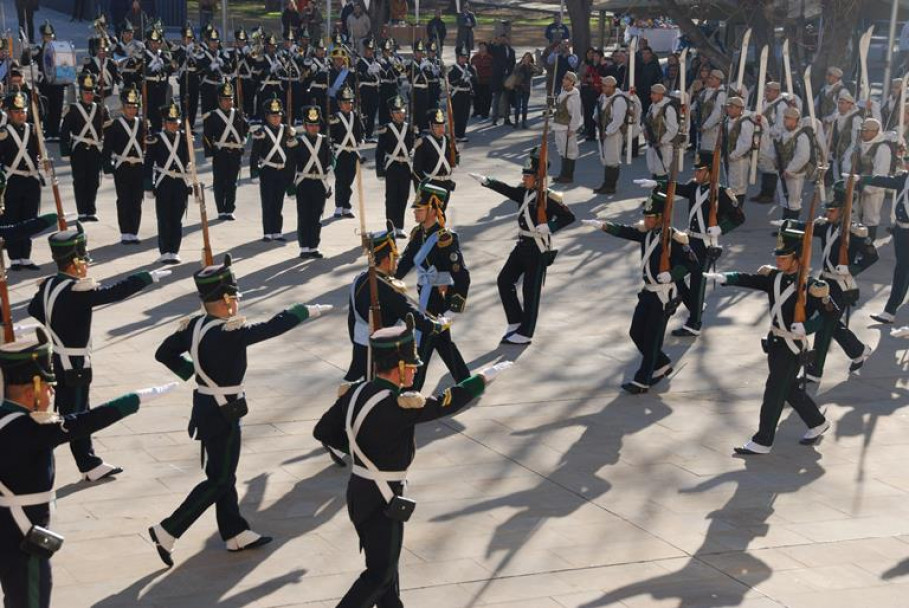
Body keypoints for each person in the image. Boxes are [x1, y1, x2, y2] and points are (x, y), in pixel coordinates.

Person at [149, 255, 332, 567]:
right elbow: (271, 328)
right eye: (233, 296)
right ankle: (169, 529)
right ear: (224, 300)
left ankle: (234, 531)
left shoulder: (194, 326)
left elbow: (163, 352)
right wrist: (305, 311)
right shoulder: (227, 333)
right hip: (223, 412)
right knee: (219, 479)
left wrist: (192, 372)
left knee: (224, 472)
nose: (236, 303)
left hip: (206, 406)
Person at [314, 317, 510, 608]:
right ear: (400, 367)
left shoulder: (356, 392)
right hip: (383, 498)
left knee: (386, 571)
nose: (415, 369)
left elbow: (324, 431)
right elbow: (446, 402)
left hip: (360, 490)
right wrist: (481, 379)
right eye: (412, 365)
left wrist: (362, 451)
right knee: (380, 575)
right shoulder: (395, 405)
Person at [0, 328, 173, 608]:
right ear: (33, 386)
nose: (52, 391)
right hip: (21, 538)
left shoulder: (8, 418)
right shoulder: (26, 428)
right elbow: (83, 422)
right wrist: (132, 401)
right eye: (48, 385)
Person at [28, 223, 170, 482]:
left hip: (57, 357)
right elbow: (113, 293)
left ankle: (87, 461)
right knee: (78, 415)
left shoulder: (49, 285)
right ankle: (86, 463)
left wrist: (58, 321)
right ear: (74, 262)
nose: (87, 265)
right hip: (75, 363)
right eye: (84, 260)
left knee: (74, 410)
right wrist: (144, 278)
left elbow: (33, 309)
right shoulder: (76, 291)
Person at [705, 222, 834, 454]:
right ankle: (817, 422)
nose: (778, 261)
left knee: (774, 391)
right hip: (775, 342)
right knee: (789, 388)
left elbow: (828, 314)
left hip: (792, 346)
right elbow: (751, 280)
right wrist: (727, 277)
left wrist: (807, 327)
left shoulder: (812, 286)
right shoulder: (775, 277)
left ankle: (763, 440)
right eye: (778, 258)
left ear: (796, 259)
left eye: (783, 258)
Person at [582, 188, 699, 394]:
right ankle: (661, 363)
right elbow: (625, 231)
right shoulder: (646, 233)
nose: (646, 221)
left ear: (661, 218)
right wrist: (603, 225)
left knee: (653, 337)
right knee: (636, 332)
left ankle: (642, 380)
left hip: (663, 294)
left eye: (650, 217)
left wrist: (672, 275)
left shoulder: (674, 238)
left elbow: (692, 262)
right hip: (648, 292)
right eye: (645, 217)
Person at [470, 149, 576, 344]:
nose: (524, 178)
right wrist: (487, 181)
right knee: (504, 280)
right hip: (522, 244)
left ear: (538, 178)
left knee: (530, 291)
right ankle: (515, 320)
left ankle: (526, 333)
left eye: (528, 176)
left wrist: (550, 226)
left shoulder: (548, 198)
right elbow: (507, 190)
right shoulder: (525, 192)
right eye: (524, 175)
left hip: (537, 248)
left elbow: (569, 217)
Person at [790, 181, 877, 382]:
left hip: (842, 286)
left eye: (832, 210)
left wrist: (851, 269)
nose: (828, 213)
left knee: (824, 328)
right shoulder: (826, 227)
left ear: (843, 210)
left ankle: (814, 372)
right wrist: (788, 225)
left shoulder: (855, 232)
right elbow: (808, 228)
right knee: (831, 324)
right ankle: (858, 350)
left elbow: (872, 256)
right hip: (825, 282)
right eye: (827, 210)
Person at [649, 160, 743, 338]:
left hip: (706, 244)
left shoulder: (721, 192)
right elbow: (679, 189)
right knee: (673, 272)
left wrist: (721, 228)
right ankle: (695, 306)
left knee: (697, 284)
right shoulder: (694, 186)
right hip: (690, 239)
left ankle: (694, 323)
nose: (696, 174)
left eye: (700, 171)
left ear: (709, 171)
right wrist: (658, 183)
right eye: (696, 171)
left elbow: (738, 217)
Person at [343, 226, 448, 383]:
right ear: (387, 259)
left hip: (360, 347)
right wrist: (435, 326)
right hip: (383, 352)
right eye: (396, 258)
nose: (397, 262)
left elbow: (352, 319)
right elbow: (410, 314)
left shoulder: (359, 279)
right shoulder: (387, 288)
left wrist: (358, 341)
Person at [395, 183, 470, 390]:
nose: (415, 214)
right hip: (425, 295)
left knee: (425, 342)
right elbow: (407, 260)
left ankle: (412, 391)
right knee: (443, 343)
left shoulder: (445, 238)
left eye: (420, 209)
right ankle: (465, 380)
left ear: (434, 209)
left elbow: (462, 275)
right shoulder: (418, 234)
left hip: (439, 300)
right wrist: (390, 278)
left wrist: (453, 308)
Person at [0, 91, 43, 271]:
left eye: (23, 111)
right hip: (13, 181)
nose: (21, 115)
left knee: (29, 219)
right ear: (9, 113)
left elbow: (40, 153)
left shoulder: (33, 130)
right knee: (13, 219)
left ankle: (26, 256)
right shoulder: (3, 134)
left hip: (31, 181)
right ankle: (15, 258)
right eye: (17, 112)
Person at [145, 101, 191, 264]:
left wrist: (191, 181)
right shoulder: (156, 139)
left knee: (177, 219)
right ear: (164, 123)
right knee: (164, 218)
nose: (173, 126)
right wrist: (148, 186)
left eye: (175, 123)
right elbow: (148, 164)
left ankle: (174, 250)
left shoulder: (185, 139)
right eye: (170, 123)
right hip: (163, 183)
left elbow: (189, 162)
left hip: (179, 183)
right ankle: (165, 251)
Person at [60, 72, 108, 223]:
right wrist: (65, 151)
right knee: (80, 180)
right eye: (86, 93)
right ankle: (81, 211)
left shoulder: (101, 109)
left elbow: (107, 130)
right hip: (79, 148)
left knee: (94, 180)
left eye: (91, 92)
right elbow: (65, 131)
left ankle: (91, 210)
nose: (89, 95)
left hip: (94, 149)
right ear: (81, 93)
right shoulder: (73, 109)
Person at [102, 85, 146, 244]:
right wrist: (107, 167)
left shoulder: (142, 124)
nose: (132, 110)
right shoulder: (115, 125)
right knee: (124, 200)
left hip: (139, 166)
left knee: (136, 200)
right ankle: (125, 231)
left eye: (135, 107)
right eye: (129, 107)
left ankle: (134, 231)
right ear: (123, 107)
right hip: (123, 166)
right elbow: (107, 148)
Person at [250, 96, 297, 241]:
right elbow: (255, 154)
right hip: (267, 171)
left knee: (278, 202)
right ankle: (267, 232)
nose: (276, 119)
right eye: (273, 116)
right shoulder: (261, 132)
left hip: (282, 171)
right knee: (268, 202)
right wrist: (254, 172)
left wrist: (290, 179)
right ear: (267, 116)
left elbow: (290, 157)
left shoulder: (287, 131)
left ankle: (277, 231)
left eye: (278, 116)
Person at [203, 82, 248, 221]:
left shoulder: (238, 114)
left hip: (235, 152)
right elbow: (206, 136)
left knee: (232, 183)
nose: (229, 102)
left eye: (231, 99)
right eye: (226, 99)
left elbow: (247, 128)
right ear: (220, 100)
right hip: (220, 152)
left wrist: (244, 139)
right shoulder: (212, 116)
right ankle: (221, 210)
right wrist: (209, 154)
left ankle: (229, 209)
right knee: (219, 182)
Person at [293, 106, 333, 258]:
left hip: (319, 183)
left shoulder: (324, 141)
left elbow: (329, 159)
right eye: (310, 125)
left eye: (316, 125)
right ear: (304, 126)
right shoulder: (298, 142)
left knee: (317, 216)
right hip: (304, 182)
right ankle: (304, 246)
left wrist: (330, 166)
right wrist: (290, 185)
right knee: (304, 215)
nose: (314, 128)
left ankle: (313, 246)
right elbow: (292, 164)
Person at [844, 117, 892, 241]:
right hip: (857, 186)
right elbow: (848, 162)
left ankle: (868, 246)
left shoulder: (883, 148)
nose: (863, 133)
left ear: (875, 131)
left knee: (870, 218)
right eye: (862, 131)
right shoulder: (858, 145)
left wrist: (867, 188)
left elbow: (881, 172)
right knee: (854, 216)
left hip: (874, 190)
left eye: (866, 131)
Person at [375, 95, 414, 236]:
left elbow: (411, 146)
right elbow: (380, 151)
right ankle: (391, 227)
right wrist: (380, 170)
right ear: (391, 114)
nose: (400, 114)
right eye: (397, 112)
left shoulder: (409, 128)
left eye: (402, 111)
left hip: (405, 166)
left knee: (403, 196)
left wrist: (413, 152)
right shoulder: (386, 129)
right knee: (391, 198)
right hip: (392, 166)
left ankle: (399, 226)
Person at [776, 106, 815, 222]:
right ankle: (784, 226)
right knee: (784, 199)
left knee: (793, 201)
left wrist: (790, 170)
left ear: (796, 120)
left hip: (795, 175)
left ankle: (791, 227)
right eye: (785, 117)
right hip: (783, 172)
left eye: (788, 118)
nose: (785, 120)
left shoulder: (801, 137)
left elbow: (802, 157)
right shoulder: (783, 134)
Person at [330, 85, 362, 219]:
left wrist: (360, 141)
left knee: (349, 180)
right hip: (340, 152)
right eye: (345, 102)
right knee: (340, 180)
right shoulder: (335, 118)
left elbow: (360, 131)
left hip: (352, 152)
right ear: (339, 104)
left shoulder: (355, 116)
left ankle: (347, 206)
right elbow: (331, 134)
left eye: (350, 102)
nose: (348, 105)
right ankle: (339, 206)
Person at [752, 81, 787, 204]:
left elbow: (780, 126)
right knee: (763, 166)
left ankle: (769, 194)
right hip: (762, 140)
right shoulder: (763, 102)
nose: (766, 93)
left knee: (771, 168)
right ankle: (763, 192)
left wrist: (766, 132)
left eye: (769, 91)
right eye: (766, 90)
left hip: (773, 142)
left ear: (776, 92)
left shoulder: (781, 106)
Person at [594, 75, 627, 195]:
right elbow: (598, 111)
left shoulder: (619, 100)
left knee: (612, 160)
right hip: (604, 132)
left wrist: (607, 132)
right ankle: (606, 184)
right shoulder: (603, 97)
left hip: (614, 134)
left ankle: (611, 186)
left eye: (604, 85)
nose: (602, 87)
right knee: (606, 159)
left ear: (611, 87)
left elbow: (618, 120)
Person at [412, 108, 457, 193]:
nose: (441, 129)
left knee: (443, 207)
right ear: (430, 125)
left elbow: (454, 157)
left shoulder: (447, 140)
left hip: (446, 183)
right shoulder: (424, 142)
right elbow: (417, 168)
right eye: (437, 126)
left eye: (442, 126)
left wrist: (455, 160)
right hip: (430, 184)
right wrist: (420, 188)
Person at [723, 96, 755, 206]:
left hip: (739, 159)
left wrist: (734, 155)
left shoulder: (745, 123)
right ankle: (731, 208)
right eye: (729, 107)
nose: (730, 109)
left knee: (739, 186)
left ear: (740, 109)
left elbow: (746, 143)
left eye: (733, 107)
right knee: (730, 184)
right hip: (728, 157)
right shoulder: (727, 120)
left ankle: (738, 209)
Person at [642, 83, 678, 179]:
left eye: (654, 94)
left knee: (661, 170)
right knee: (653, 169)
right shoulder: (652, 107)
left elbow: (673, 129)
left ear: (661, 94)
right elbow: (647, 121)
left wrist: (662, 141)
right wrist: (644, 131)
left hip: (664, 146)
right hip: (652, 144)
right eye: (651, 93)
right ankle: (655, 191)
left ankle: (662, 192)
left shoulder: (668, 109)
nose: (651, 96)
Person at [552, 71, 582, 183]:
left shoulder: (573, 96)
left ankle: (568, 175)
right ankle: (563, 173)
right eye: (564, 78)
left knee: (569, 151)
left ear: (571, 82)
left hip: (566, 128)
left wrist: (573, 129)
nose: (563, 80)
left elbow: (576, 114)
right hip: (558, 125)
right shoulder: (563, 92)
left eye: (566, 78)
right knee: (561, 150)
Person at [173, 25, 202, 130]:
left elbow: (200, 64)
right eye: (185, 38)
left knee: (194, 103)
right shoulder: (178, 50)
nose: (188, 40)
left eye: (190, 38)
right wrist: (185, 53)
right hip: (184, 77)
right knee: (184, 103)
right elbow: (177, 63)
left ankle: (192, 125)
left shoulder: (197, 49)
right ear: (182, 38)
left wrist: (194, 54)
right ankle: (185, 125)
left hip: (194, 78)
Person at [697, 69, 726, 167]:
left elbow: (717, 114)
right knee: (702, 158)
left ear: (719, 80)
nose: (709, 80)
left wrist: (705, 126)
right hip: (702, 129)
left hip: (713, 130)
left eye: (712, 78)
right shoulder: (705, 92)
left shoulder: (721, 94)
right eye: (709, 78)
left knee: (711, 158)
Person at [448, 45, 475, 141]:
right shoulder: (453, 69)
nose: (463, 59)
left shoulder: (469, 68)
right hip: (457, 94)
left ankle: (462, 133)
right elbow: (451, 82)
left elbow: (474, 79)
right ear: (458, 57)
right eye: (461, 57)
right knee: (457, 115)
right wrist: (461, 80)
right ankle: (457, 134)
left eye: (465, 57)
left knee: (465, 114)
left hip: (467, 94)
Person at [489, 34, 515, 125]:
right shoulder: (497, 49)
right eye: (502, 39)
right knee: (496, 98)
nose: (504, 41)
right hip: (498, 77)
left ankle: (507, 118)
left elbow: (513, 63)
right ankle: (494, 118)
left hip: (507, 78)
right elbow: (490, 49)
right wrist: (493, 41)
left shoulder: (512, 51)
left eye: (506, 39)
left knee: (507, 99)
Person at [512, 51, 538, 129]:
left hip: (526, 89)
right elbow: (515, 73)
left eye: (528, 58)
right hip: (519, 88)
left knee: (525, 106)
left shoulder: (530, 67)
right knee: (517, 106)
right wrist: (521, 65)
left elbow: (539, 71)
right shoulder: (518, 66)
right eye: (525, 57)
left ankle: (524, 122)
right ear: (523, 58)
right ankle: (516, 121)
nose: (527, 59)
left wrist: (532, 66)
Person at [470, 42, 493, 119]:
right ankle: (476, 111)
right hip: (477, 80)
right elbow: (471, 68)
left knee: (487, 97)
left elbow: (493, 69)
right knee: (476, 97)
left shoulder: (490, 58)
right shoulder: (475, 57)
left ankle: (485, 112)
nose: (481, 48)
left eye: (483, 47)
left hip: (487, 80)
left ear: (486, 48)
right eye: (480, 47)